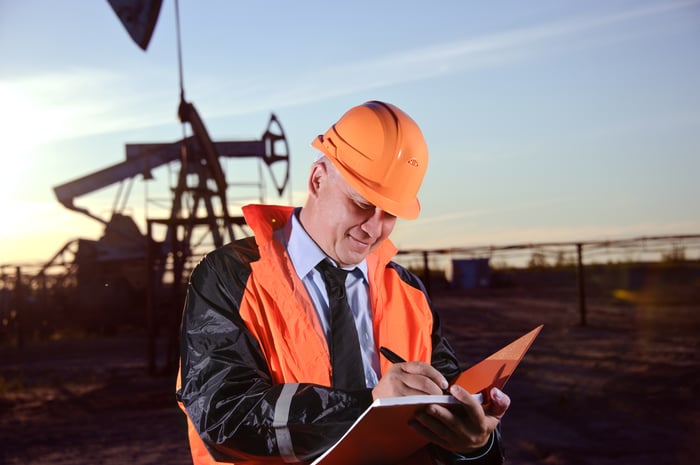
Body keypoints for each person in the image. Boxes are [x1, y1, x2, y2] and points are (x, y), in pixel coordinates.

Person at [176, 100, 510, 465]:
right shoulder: (231, 277)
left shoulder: (408, 292)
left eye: (391, 214)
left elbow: (446, 417)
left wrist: (476, 445)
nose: (373, 228)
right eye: (361, 203)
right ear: (318, 179)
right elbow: (224, 415)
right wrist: (368, 407)